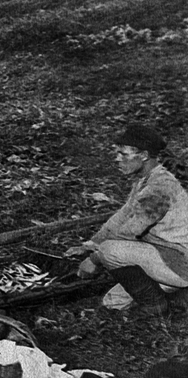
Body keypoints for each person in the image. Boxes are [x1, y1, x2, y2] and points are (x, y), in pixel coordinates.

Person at [64, 125, 188, 316]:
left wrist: (94, 259)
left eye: (123, 154)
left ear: (144, 155)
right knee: (112, 304)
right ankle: (172, 292)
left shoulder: (159, 188)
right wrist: (90, 244)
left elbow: (129, 234)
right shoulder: (145, 179)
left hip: (179, 261)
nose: (117, 159)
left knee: (109, 250)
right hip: (163, 255)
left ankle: (155, 304)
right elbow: (121, 216)